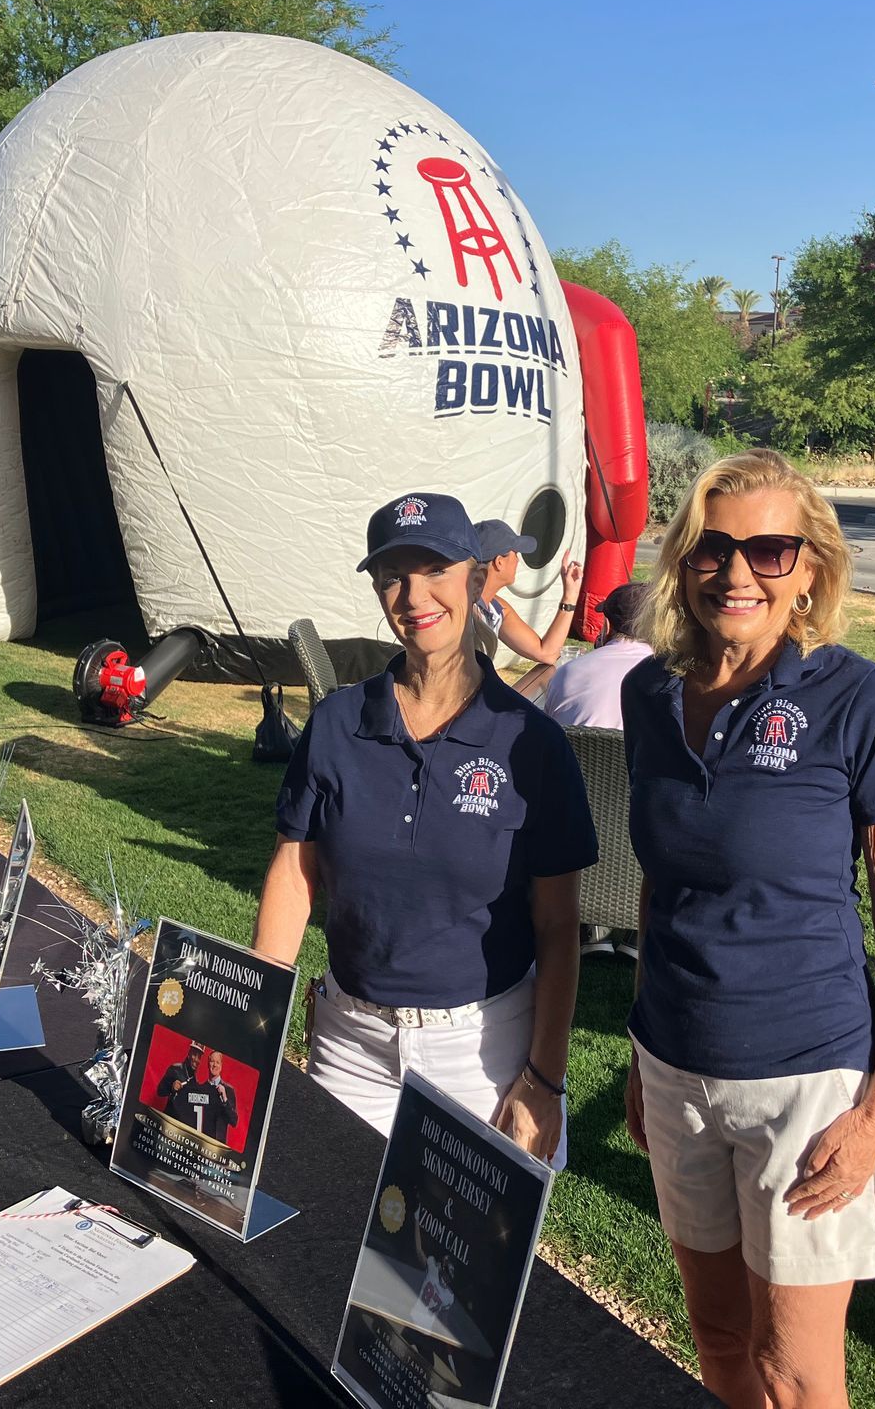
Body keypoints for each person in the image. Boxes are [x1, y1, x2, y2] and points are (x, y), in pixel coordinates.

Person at [620, 449, 875, 1409]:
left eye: (769, 549)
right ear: (683, 559)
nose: (738, 573)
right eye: (714, 548)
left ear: (811, 568)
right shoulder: (648, 696)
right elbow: (658, 888)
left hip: (806, 1085)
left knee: (794, 1373)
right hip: (675, 1066)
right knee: (716, 1339)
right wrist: (638, 1058)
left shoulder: (860, 702)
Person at [255, 491, 597, 1167]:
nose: (414, 594)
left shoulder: (531, 742)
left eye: (435, 569)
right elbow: (296, 875)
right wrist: (253, 1016)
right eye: (393, 575)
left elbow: (559, 927)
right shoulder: (337, 723)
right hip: (350, 1041)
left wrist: (544, 1080)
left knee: (460, 1268)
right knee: (324, 1243)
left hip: (481, 1049)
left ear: (474, 579)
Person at [473, 519, 583, 681]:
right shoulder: (463, 610)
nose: (518, 560)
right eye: (515, 553)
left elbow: (546, 653)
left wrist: (570, 595)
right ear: (499, 562)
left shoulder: (496, 608)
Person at [541, 581, 653, 730]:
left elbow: (548, 732)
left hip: (577, 752)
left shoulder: (567, 672)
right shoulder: (673, 678)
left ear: (606, 625)